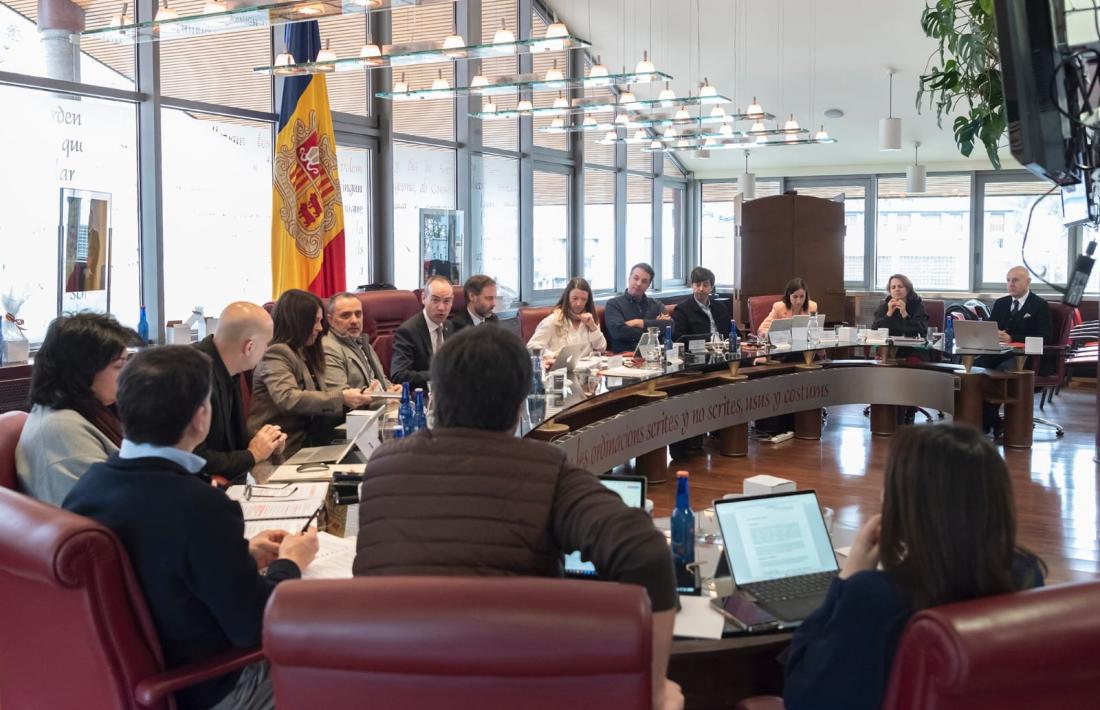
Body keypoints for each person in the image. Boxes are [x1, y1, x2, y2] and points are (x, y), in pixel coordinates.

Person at [353, 327, 682, 710]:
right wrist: (653, 691)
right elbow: (645, 553)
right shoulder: (546, 469)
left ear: (436, 397)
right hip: (513, 690)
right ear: (519, 405)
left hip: (393, 688)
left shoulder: (381, 466)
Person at [63, 346, 318, 710]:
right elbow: (256, 627)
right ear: (201, 418)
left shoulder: (89, 486)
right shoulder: (203, 507)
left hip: (129, 682)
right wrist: (290, 563)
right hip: (211, 687)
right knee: (342, 666)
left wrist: (239, 554)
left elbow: (148, 561)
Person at [783, 425, 1045, 710]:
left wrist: (847, 580)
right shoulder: (1026, 574)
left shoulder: (875, 594)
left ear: (908, 503)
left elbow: (805, 697)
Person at [15, 313, 138, 505]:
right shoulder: (62, 430)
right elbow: (111, 509)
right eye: (119, 366)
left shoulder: (84, 408)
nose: (127, 374)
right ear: (84, 370)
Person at [248, 289, 372, 457]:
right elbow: (288, 398)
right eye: (315, 322)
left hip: (314, 441)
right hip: (283, 449)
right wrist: (342, 397)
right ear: (298, 322)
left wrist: (360, 396)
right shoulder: (276, 353)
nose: (320, 328)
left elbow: (320, 397)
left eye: (321, 321)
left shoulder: (307, 351)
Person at [194, 302, 286, 482]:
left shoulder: (230, 367)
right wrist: (252, 455)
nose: (267, 350)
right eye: (267, 344)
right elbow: (194, 458)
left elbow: (230, 441)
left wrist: (266, 443)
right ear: (249, 347)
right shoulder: (193, 375)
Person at [978, 266, 1053, 434]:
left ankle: (987, 422)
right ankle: (986, 420)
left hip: (1025, 357)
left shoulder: (1039, 305)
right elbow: (990, 328)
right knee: (975, 368)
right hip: (998, 352)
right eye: (1008, 280)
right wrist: (993, 334)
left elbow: (1045, 337)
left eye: (1015, 280)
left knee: (998, 372)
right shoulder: (1001, 303)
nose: (1011, 284)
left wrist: (1013, 338)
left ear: (1028, 281)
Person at [322, 292, 402, 397]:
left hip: (381, 407)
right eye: (346, 316)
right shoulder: (328, 348)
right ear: (330, 320)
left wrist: (393, 389)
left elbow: (381, 381)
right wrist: (387, 397)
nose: (354, 321)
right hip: (360, 411)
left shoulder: (362, 342)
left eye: (358, 314)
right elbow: (341, 398)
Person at [390, 275, 456, 390]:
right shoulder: (408, 331)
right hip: (422, 397)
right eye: (435, 300)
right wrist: (438, 375)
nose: (441, 307)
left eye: (447, 301)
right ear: (423, 298)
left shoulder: (449, 326)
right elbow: (399, 375)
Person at [526, 277, 607, 358]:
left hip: (589, 367)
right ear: (567, 297)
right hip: (561, 368)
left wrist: (593, 326)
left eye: (584, 299)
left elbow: (601, 348)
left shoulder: (590, 319)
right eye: (575, 298)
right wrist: (554, 356)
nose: (579, 303)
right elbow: (532, 347)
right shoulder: (553, 320)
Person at [604, 263, 670, 352]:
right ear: (629, 279)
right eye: (636, 278)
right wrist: (656, 327)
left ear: (648, 285)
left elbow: (670, 326)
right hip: (626, 356)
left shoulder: (656, 304)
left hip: (654, 354)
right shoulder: (613, 304)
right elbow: (618, 332)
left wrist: (638, 323)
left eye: (644, 281)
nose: (639, 283)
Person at [671, 266, 735, 340]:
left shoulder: (720, 307)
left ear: (711, 287)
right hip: (698, 350)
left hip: (723, 348)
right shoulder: (682, 310)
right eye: (698, 285)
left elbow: (734, 331)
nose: (701, 289)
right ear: (692, 286)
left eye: (705, 285)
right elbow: (679, 339)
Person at [870, 273, 929, 339]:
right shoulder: (885, 306)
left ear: (908, 289)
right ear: (890, 291)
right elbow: (874, 331)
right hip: (890, 347)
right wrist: (889, 314)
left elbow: (922, 331)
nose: (897, 289)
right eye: (893, 287)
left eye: (900, 286)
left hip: (912, 346)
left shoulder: (917, 305)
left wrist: (905, 314)